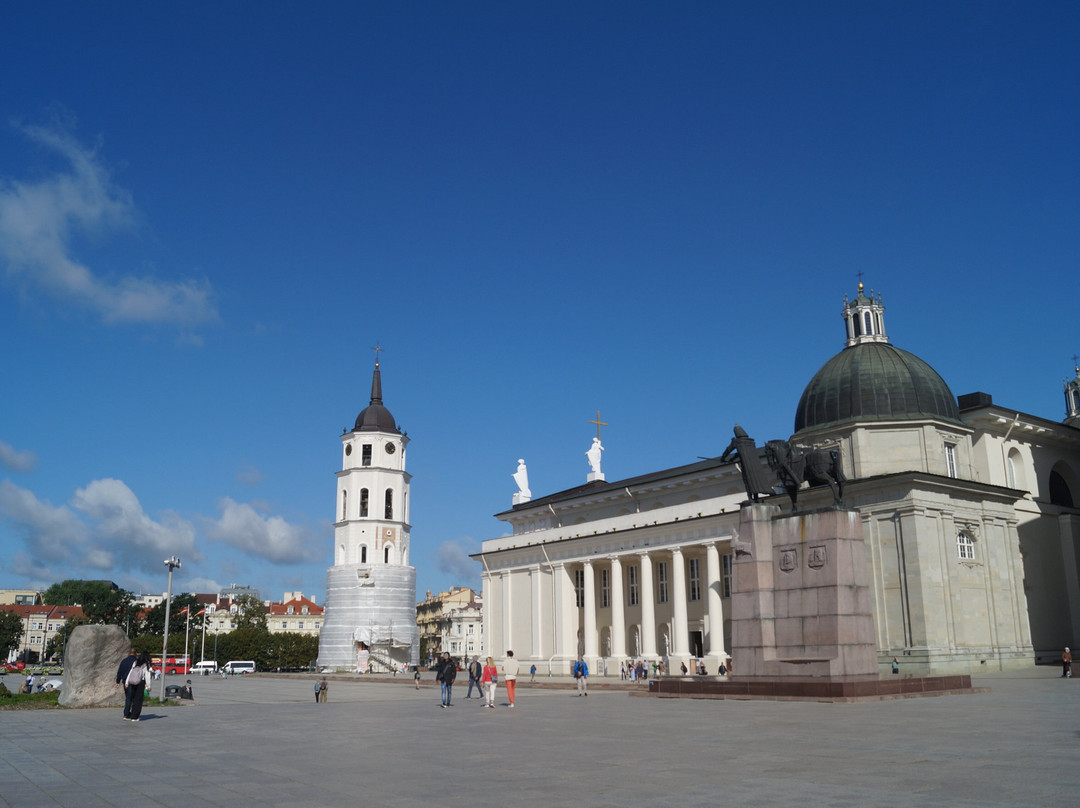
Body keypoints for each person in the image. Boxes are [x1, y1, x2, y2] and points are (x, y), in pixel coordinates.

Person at [125, 652, 152, 721]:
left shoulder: (135, 662)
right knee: (138, 700)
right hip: (140, 682)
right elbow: (147, 676)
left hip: (133, 682)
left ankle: (132, 715)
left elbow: (131, 672)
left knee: (134, 699)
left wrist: (127, 682)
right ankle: (135, 716)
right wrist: (148, 686)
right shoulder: (146, 664)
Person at [115, 648, 139, 720]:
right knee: (134, 698)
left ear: (129, 653)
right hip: (134, 681)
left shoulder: (124, 661)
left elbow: (120, 671)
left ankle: (126, 713)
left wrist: (118, 681)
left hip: (125, 681)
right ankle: (129, 714)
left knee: (128, 698)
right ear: (135, 653)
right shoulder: (136, 661)